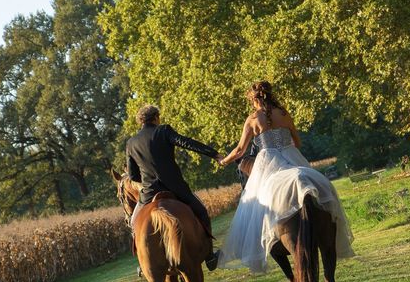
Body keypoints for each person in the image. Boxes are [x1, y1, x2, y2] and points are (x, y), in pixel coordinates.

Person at [217, 81, 354, 272]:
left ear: (253, 99)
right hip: (292, 156)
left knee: (256, 203)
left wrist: (224, 161)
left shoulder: (253, 119)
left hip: (268, 161)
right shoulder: (283, 113)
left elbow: (240, 150)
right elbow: (297, 143)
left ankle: (263, 242)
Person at [126, 104, 222, 270]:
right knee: (201, 212)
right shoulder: (163, 130)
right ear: (156, 117)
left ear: (141, 121)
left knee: (135, 223)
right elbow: (187, 143)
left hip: (149, 193)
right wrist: (214, 154)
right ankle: (209, 256)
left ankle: (143, 262)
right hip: (175, 188)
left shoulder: (131, 143)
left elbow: (133, 176)